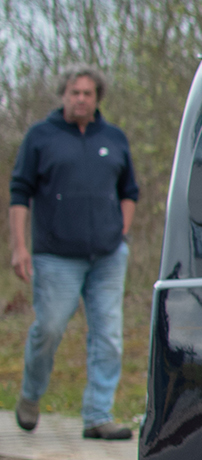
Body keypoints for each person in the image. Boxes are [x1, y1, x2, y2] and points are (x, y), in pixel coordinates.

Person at [9, 65, 139, 439]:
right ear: (63, 95)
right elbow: (20, 194)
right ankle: (31, 396)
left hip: (108, 256)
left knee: (108, 336)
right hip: (55, 256)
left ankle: (98, 415)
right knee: (48, 329)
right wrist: (19, 248)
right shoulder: (40, 137)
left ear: (97, 98)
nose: (80, 98)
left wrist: (122, 230)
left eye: (87, 93)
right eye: (74, 92)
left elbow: (129, 191)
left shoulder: (114, 138)